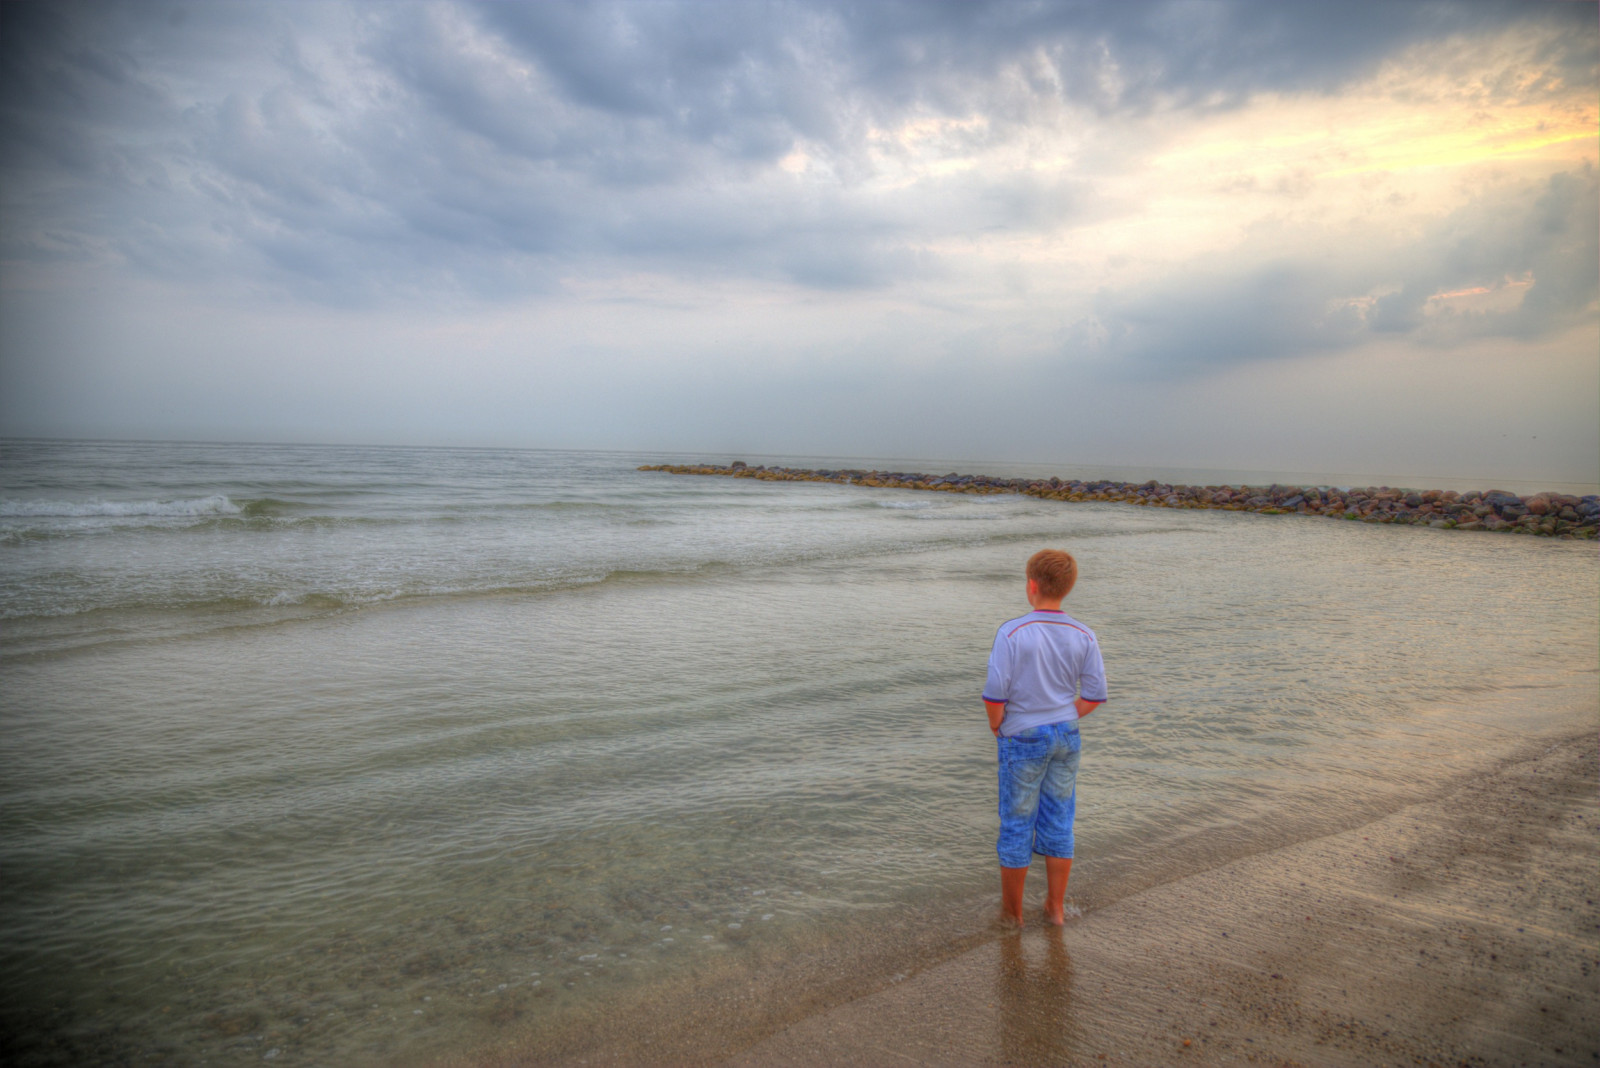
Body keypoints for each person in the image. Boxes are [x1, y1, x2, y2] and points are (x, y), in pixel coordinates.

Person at [982, 549, 1107, 926]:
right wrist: (1065, 715)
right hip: (1066, 735)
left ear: (1031, 586)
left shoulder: (1013, 631)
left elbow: (995, 693)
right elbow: (1094, 694)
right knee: (1059, 818)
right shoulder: (1084, 634)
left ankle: (1012, 915)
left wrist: (998, 726)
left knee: (1018, 822)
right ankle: (1055, 908)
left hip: (1022, 736)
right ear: (1068, 588)